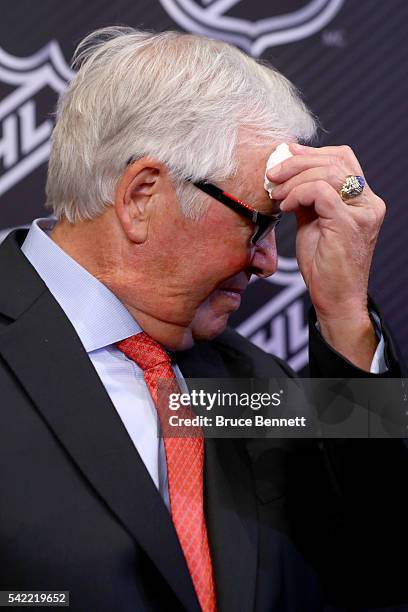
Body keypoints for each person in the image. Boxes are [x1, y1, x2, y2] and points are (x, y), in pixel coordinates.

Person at [0, 26, 406, 612]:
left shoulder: (250, 382)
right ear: (142, 195)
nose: (270, 261)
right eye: (260, 221)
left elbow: (383, 563)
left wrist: (344, 314)